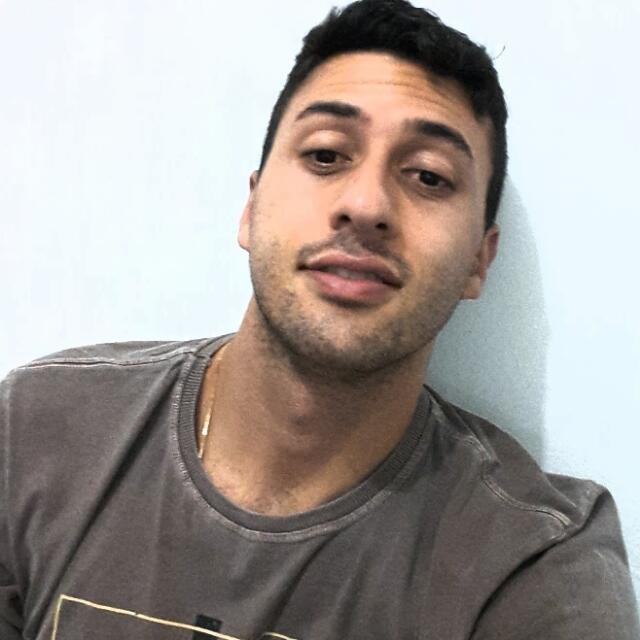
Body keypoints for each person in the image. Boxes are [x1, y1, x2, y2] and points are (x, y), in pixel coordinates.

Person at [1, 0, 638, 638]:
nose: (365, 204)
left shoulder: (530, 559)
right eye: (327, 155)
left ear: (479, 260)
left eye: (428, 176)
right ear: (251, 208)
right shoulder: (38, 432)